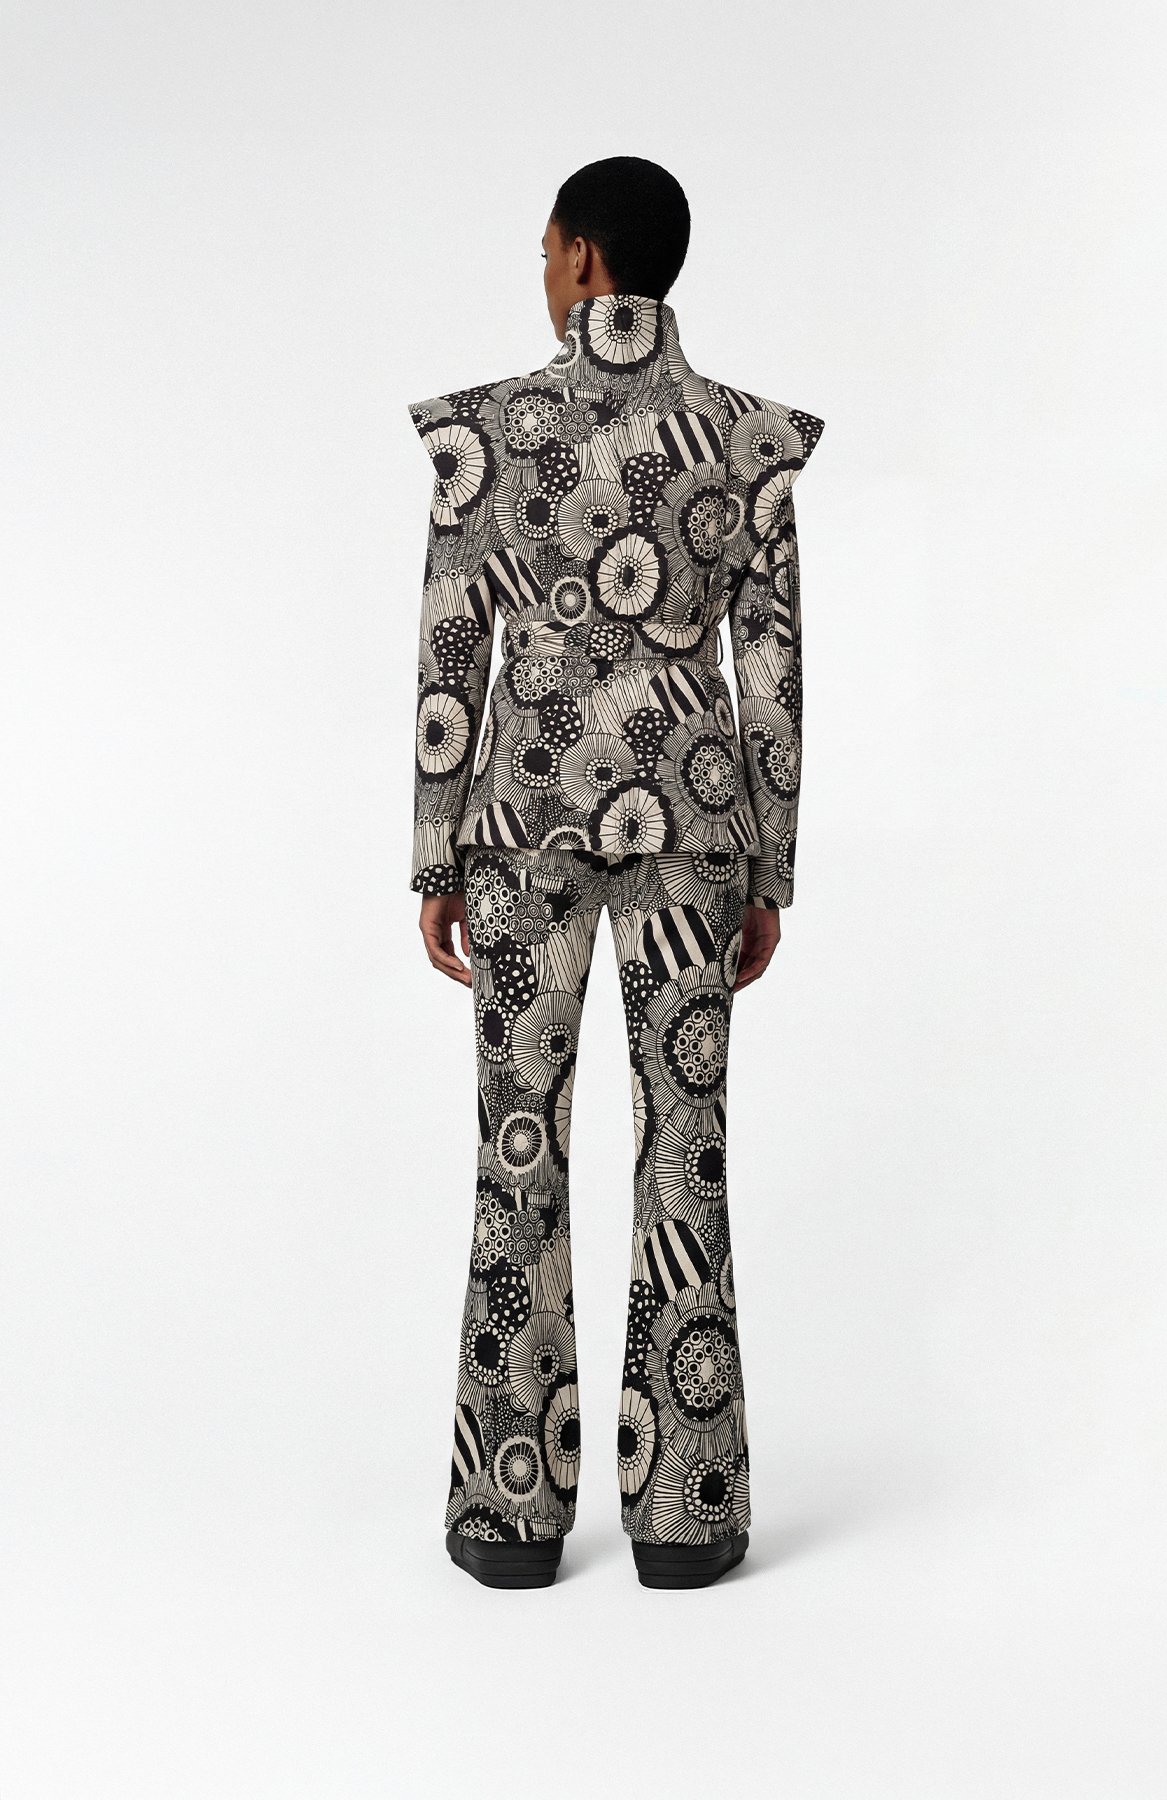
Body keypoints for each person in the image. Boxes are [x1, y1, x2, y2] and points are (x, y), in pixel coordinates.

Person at [406, 155, 824, 1589]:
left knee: (516, 1149)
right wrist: (767, 869)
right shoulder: (746, 442)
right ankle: (689, 1517)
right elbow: (773, 679)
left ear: (585, 258)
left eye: (546, 250)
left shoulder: (486, 436)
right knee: (683, 1153)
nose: (542, 273)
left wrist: (434, 851)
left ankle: (508, 1516)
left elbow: (451, 661)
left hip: (520, 829)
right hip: (694, 829)